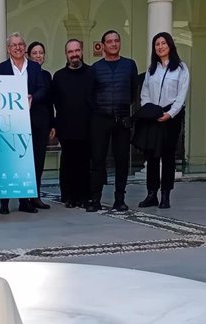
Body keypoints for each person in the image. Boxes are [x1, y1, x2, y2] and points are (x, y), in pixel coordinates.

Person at [0, 33, 48, 215]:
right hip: (10, 123)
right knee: (8, 161)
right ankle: (4, 202)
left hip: (34, 120)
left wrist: (33, 97)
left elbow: (42, 88)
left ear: (25, 47)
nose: (17, 48)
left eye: (21, 44)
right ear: (8, 49)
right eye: (14, 45)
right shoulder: (0, 68)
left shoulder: (34, 67)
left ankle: (26, 201)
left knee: (31, 162)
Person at [137, 32, 190, 209]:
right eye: (157, 44)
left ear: (170, 45)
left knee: (167, 156)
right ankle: (151, 193)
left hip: (171, 117)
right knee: (151, 155)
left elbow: (181, 95)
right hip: (153, 114)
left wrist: (170, 113)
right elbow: (144, 92)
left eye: (163, 43)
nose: (160, 47)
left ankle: (166, 194)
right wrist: (149, 109)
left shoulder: (181, 68)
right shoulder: (152, 69)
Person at [87, 30, 138, 213]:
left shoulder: (129, 65)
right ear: (103, 45)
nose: (114, 44)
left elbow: (133, 92)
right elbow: (90, 95)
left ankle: (120, 199)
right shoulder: (95, 68)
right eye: (109, 41)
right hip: (100, 119)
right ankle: (95, 199)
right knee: (98, 159)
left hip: (122, 119)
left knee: (122, 160)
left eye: (117, 41)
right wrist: (101, 110)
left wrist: (124, 110)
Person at [51, 39, 93, 208]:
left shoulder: (91, 73)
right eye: (70, 52)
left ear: (81, 52)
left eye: (77, 51)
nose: (74, 55)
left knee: (84, 163)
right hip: (66, 127)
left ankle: (84, 196)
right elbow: (55, 102)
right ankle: (68, 196)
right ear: (66, 54)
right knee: (68, 163)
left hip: (87, 126)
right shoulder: (59, 76)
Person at [26, 40, 54, 209]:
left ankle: (35, 195)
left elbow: (49, 101)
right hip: (24, 121)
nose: (38, 56)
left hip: (42, 122)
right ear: (29, 55)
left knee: (39, 160)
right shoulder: (24, 73)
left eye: (41, 53)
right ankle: (24, 196)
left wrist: (52, 124)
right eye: (34, 53)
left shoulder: (46, 76)